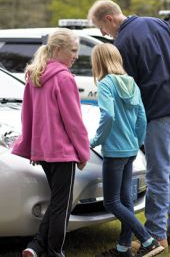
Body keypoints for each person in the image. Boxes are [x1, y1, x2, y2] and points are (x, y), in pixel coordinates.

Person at [88, 0, 170, 248]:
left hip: (158, 111)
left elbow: (129, 91)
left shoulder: (123, 43)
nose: (103, 34)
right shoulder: (157, 23)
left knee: (158, 173)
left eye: (101, 28)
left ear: (109, 19)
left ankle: (156, 233)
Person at [11, 28, 90, 257]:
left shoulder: (35, 75)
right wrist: (83, 153)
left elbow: (28, 117)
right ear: (57, 49)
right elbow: (73, 121)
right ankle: (56, 252)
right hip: (63, 153)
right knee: (61, 206)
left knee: (57, 201)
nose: (76, 55)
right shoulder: (64, 78)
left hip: (44, 152)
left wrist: (32, 148)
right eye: (73, 50)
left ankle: (35, 247)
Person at [90, 43, 164, 257]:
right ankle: (123, 249)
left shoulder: (105, 84)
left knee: (111, 202)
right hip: (131, 149)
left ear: (99, 62)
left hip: (114, 151)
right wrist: (136, 142)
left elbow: (108, 116)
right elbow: (142, 118)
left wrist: (94, 141)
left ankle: (148, 240)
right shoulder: (131, 82)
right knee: (125, 200)